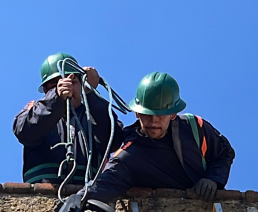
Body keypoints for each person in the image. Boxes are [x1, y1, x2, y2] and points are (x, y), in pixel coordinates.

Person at [84, 71, 235, 203]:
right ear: (137, 113)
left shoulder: (194, 127)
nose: (154, 121)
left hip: (203, 206)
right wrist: (74, 204)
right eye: (148, 115)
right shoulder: (129, 155)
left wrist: (213, 179)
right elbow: (103, 185)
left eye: (161, 115)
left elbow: (224, 152)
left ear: (173, 114)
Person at [13, 53, 125, 195]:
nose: (67, 87)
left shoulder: (95, 114)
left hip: (89, 195)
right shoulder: (35, 110)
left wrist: (91, 94)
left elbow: (114, 139)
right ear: (47, 91)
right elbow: (24, 132)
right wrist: (56, 100)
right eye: (56, 84)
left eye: (72, 82)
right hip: (43, 195)